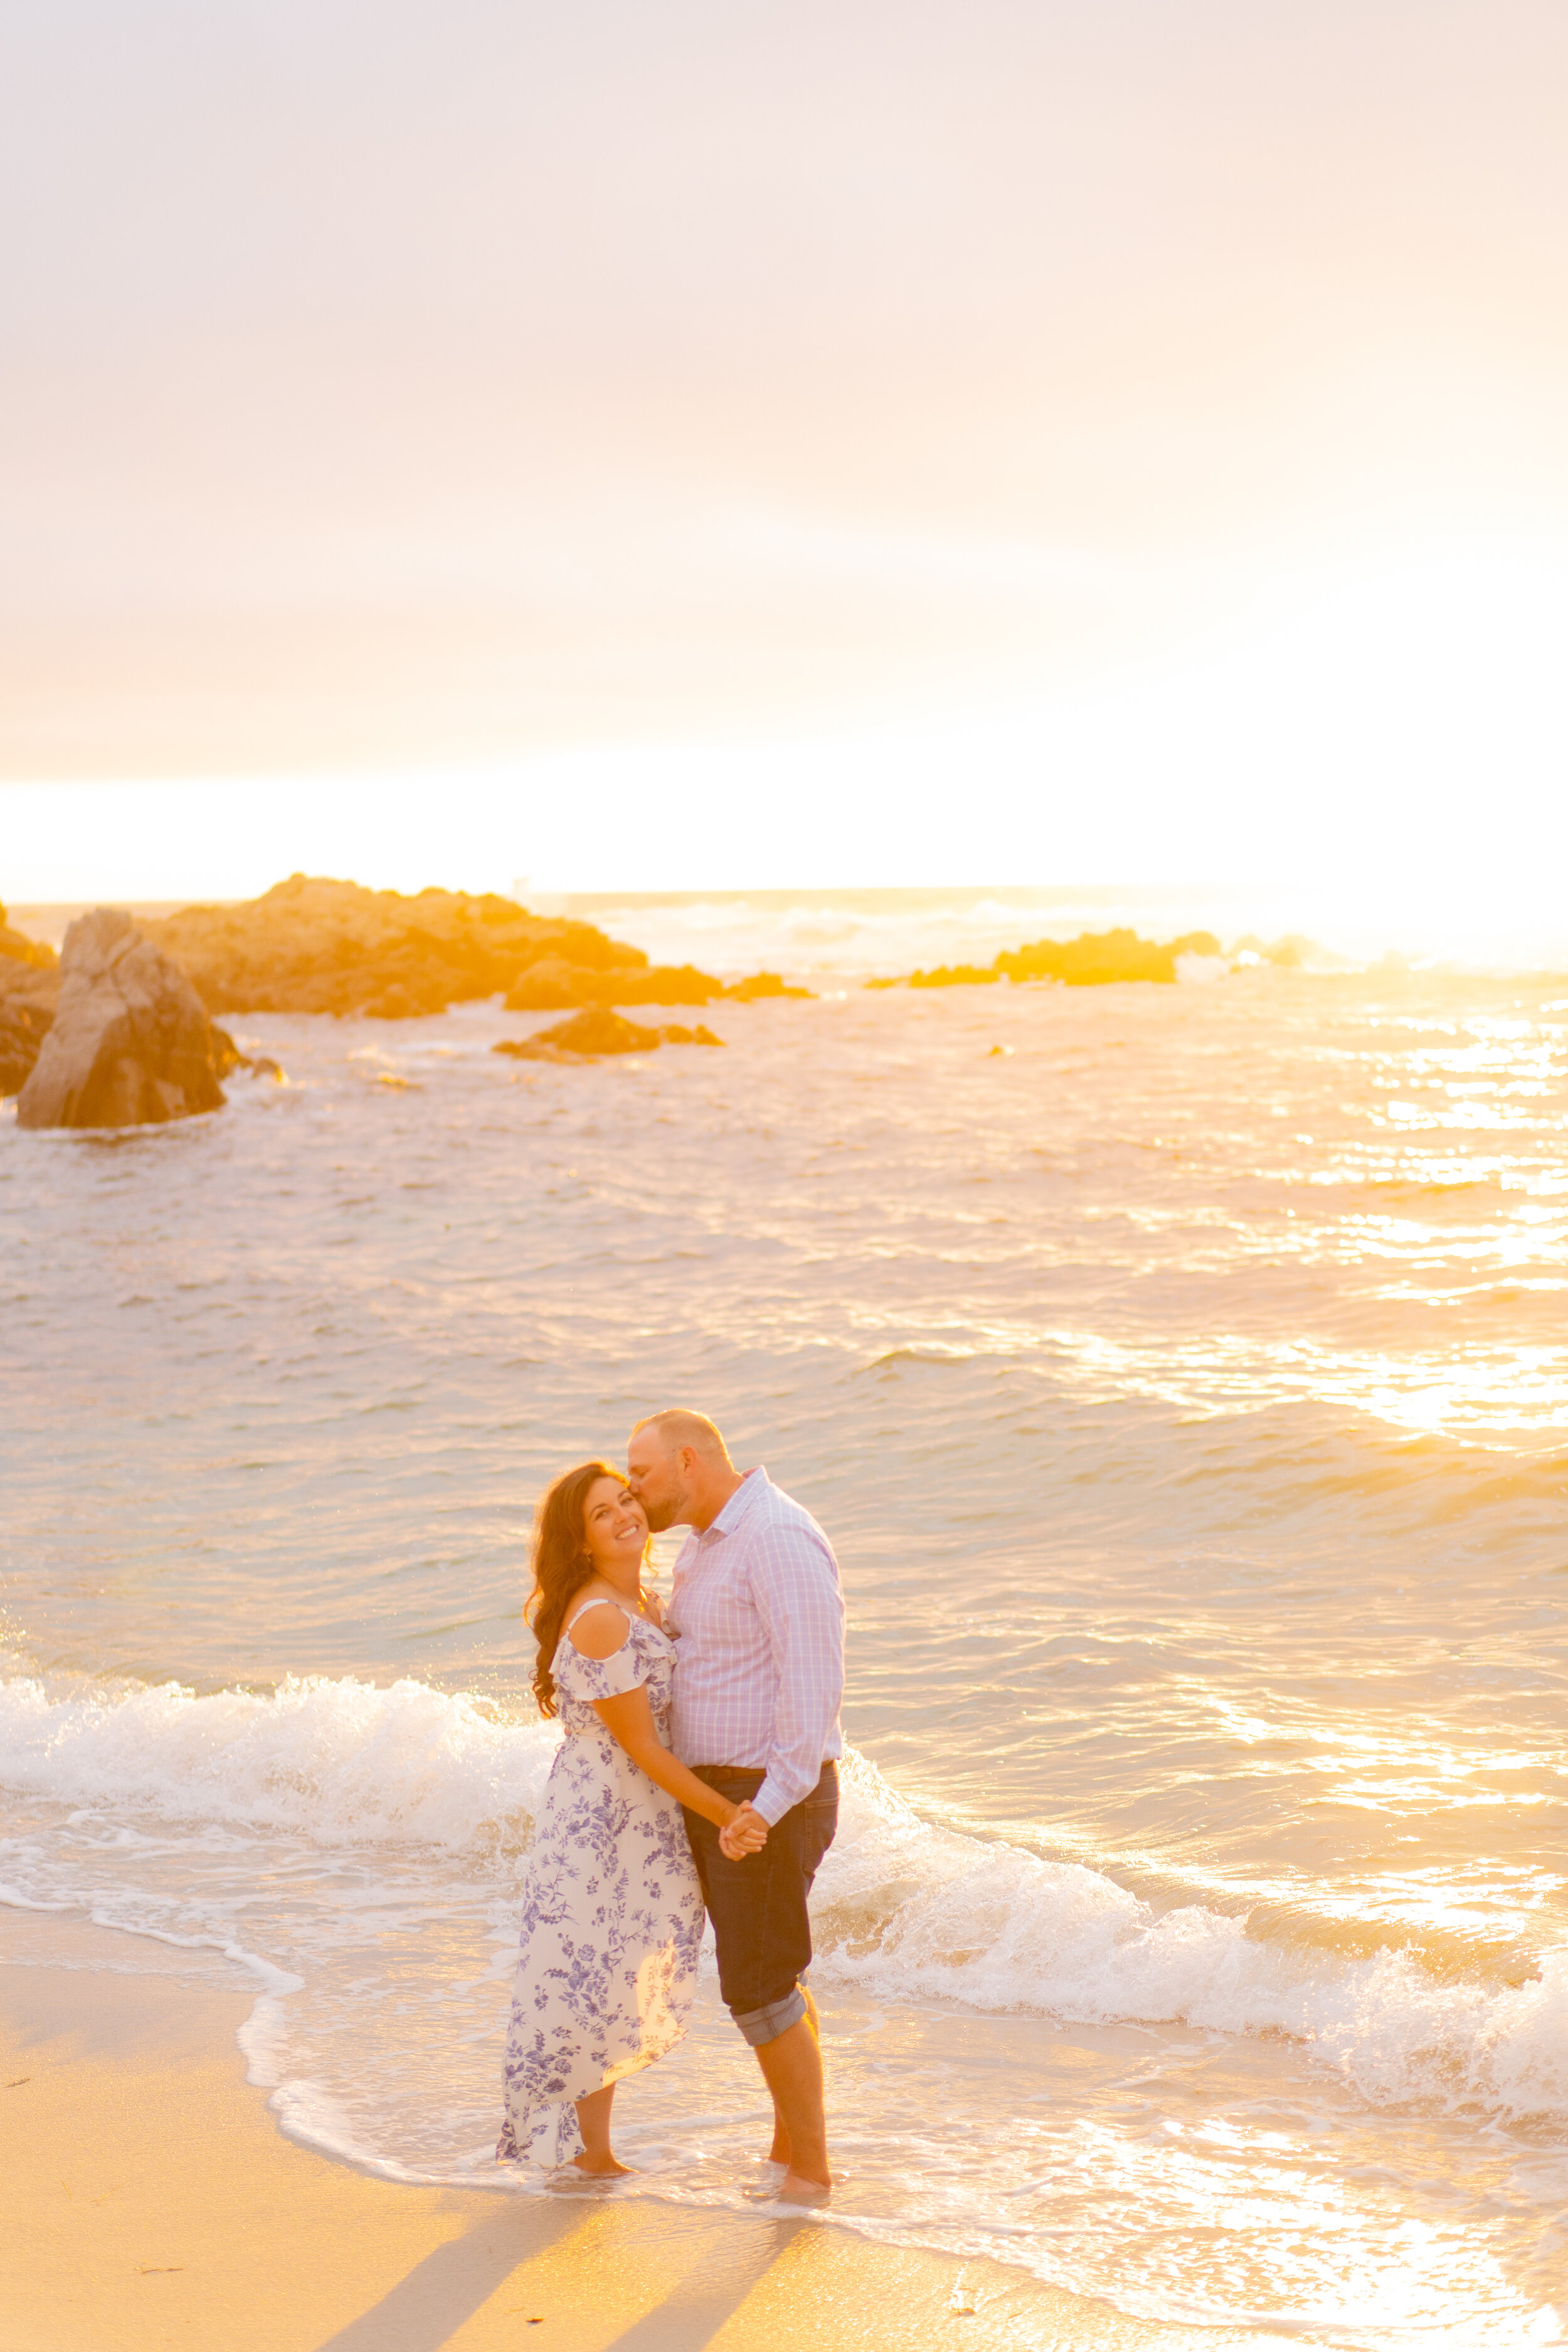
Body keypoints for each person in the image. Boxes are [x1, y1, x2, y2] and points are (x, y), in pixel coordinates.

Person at [497, 1459, 766, 2173]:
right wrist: (727, 1815)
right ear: (581, 1542)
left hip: (635, 1813)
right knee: (593, 1971)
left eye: (626, 1501)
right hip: (602, 1819)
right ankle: (590, 2153)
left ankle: (593, 2151)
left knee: (613, 1968)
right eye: (602, 1514)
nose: (625, 1517)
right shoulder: (602, 1621)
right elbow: (643, 1747)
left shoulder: (644, 1599)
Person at [625, 1409, 845, 2208]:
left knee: (755, 1986)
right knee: (772, 1972)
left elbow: (813, 1685)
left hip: (762, 1797)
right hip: (727, 1797)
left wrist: (764, 1806)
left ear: (688, 1461)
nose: (632, 1489)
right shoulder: (708, 1542)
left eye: (641, 1474)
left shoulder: (775, 1537)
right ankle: (789, 2149)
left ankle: (812, 2175)